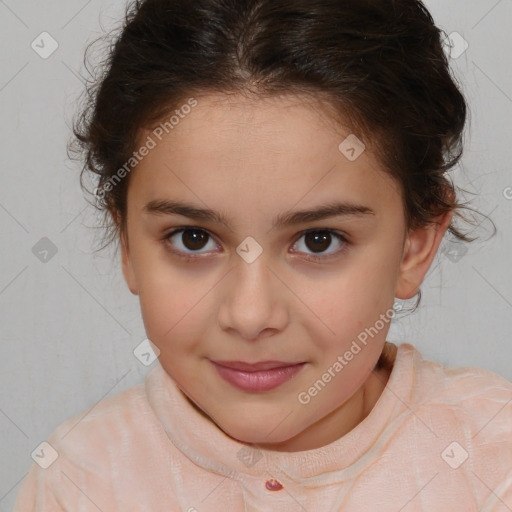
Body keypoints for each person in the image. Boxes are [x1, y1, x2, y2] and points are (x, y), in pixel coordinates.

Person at [12, 0, 512, 510]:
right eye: (193, 239)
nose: (251, 316)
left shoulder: (495, 461)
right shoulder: (78, 481)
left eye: (319, 240)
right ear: (127, 244)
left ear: (415, 244)